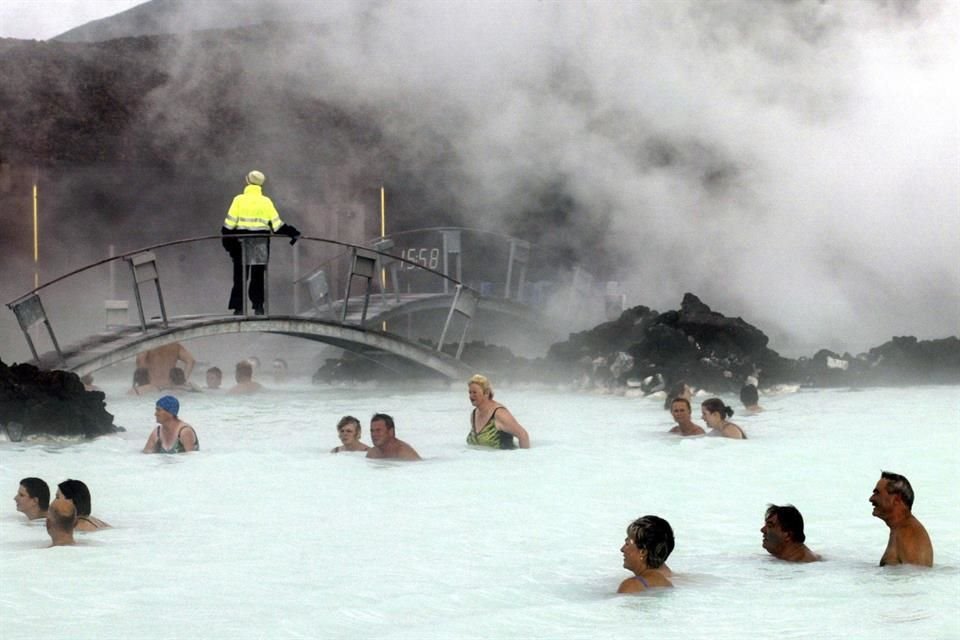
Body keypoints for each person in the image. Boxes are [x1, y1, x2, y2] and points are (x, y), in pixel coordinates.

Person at [221, 169, 301, 315]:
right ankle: (258, 307)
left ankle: (238, 308)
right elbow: (277, 226)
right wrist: (293, 233)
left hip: (240, 243)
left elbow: (228, 226)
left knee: (240, 277)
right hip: (261, 243)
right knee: (258, 277)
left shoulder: (238, 200)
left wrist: (228, 244)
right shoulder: (266, 202)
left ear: (247, 181)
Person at [870, 471, 933, 567]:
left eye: (877, 493)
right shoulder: (899, 529)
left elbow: (917, 576)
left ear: (896, 499)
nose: (871, 498)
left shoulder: (909, 533)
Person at [466, 374, 530, 449]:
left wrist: (524, 458)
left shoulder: (499, 413)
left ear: (486, 393)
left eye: (474, 392)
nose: (471, 396)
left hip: (503, 459)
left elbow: (523, 435)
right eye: (470, 392)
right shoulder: (474, 414)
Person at [617, 515, 675, 593]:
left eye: (627, 544)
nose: (622, 549)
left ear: (643, 552)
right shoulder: (666, 582)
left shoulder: (631, 586)